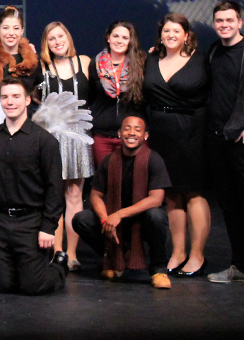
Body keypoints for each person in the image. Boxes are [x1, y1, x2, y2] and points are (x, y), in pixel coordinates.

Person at [0, 76, 67, 295]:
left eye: (16, 96)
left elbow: (54, 188)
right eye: (5, 97)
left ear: (27, 100)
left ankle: (59, 267)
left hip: (31, 223)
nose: (10, 102)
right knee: (5, 286)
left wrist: (48, 227)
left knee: (33, 287)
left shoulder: (45, 141)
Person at [204, 0, 244, 292]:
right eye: (219, 20)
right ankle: (242, 267)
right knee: (230, 209)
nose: (224, 25)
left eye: (230, 20)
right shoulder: (215, 51)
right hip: (219, 141)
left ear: (240, 22)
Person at [143, 13, 210, 277]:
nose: (171, 35)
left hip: (192, 131)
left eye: (176, 31)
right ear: (161, 35)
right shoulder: (150, 58)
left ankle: (197, 255)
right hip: (161, 133)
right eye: (166, 31)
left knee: (193, 192)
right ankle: (178, 252)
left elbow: (229, 86)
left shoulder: (202, 61)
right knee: (171, 194)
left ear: (186, 35)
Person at [72, 115, 172, 289]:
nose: (131, 133)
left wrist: (118, 214)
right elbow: (95, 195)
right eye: (127, 128)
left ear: (145, 136)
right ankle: (118, 255)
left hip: (142, 222)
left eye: (137, 130)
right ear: (119, 133)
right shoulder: (110, 161)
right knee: (81, 220)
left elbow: (156, 199)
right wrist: (105, 220)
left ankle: (158, 269)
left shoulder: (153, 159)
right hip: (116, 222)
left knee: (156, 216)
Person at [39, 22, 94, 272]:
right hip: (51, 136)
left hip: (78, 135)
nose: (57, 41)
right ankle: (56, 250)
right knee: (54, 195)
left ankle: (72, 253)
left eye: (60, 36)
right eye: (52, 39)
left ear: (68, 37)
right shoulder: (41, 67)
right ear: (46, 44)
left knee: (74, 195)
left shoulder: (84, 62)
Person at [88, 21, 146, 167]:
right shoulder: (96, 63)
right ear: (108, 38)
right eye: (116, 36)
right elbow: (91, 97)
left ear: (131, 41)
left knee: (132, 181)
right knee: (106, 183)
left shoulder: (142, 63)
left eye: (125, 38)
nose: (119, 41)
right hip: (103, 136)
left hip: (132, 135)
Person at [0, 6, 41, 93]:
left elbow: (36, 94)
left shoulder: (31, 60)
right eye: (6, 28)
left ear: (22, 31)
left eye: (16, 28)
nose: (11, 33)